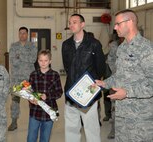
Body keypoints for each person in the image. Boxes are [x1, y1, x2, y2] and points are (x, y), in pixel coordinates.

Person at [95, 9, 153, 141]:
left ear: (130, 22)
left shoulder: (147, 49)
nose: (115, 28)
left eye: (118, 24)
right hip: (122, 116)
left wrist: (127, 93)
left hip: (141, 119)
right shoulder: (122, 48)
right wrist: (105, 83)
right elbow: (119, 75)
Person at [62, 13, 106, 142]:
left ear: (82, 24)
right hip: (71, 91)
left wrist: (90, 84)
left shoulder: (94, 44)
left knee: (91, 128)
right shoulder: (66, 45)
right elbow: (67, 68)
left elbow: (100, 68)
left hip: (89, 94)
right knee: (71, 129)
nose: (71, 25)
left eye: (74, 22)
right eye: (70, 22)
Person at [27, 49, 63, 142]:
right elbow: (29, 92)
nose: (43, 63)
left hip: (49, 112)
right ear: (37, 61)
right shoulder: (33, 75)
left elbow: (59, 92)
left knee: (45, 138)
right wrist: (30, 99)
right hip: (35, 111)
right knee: (31, 137)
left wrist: (47, 96)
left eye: (46, 60)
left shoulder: (55, 75)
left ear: (50, 61)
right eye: (40, 60)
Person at [8, 26, 38, 131]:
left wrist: (19, 56)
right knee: (15, 101)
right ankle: (14, 122)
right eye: (20, 33)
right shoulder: (13, 46)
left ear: (27, 34)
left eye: (24, 33)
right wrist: (24, 57)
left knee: (32, 100)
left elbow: (33, 59)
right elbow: (13, 61)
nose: (22, 35)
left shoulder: (32, 46)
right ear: (18, 34)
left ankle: (34, 121)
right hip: (16, 78)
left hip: (28, 78)